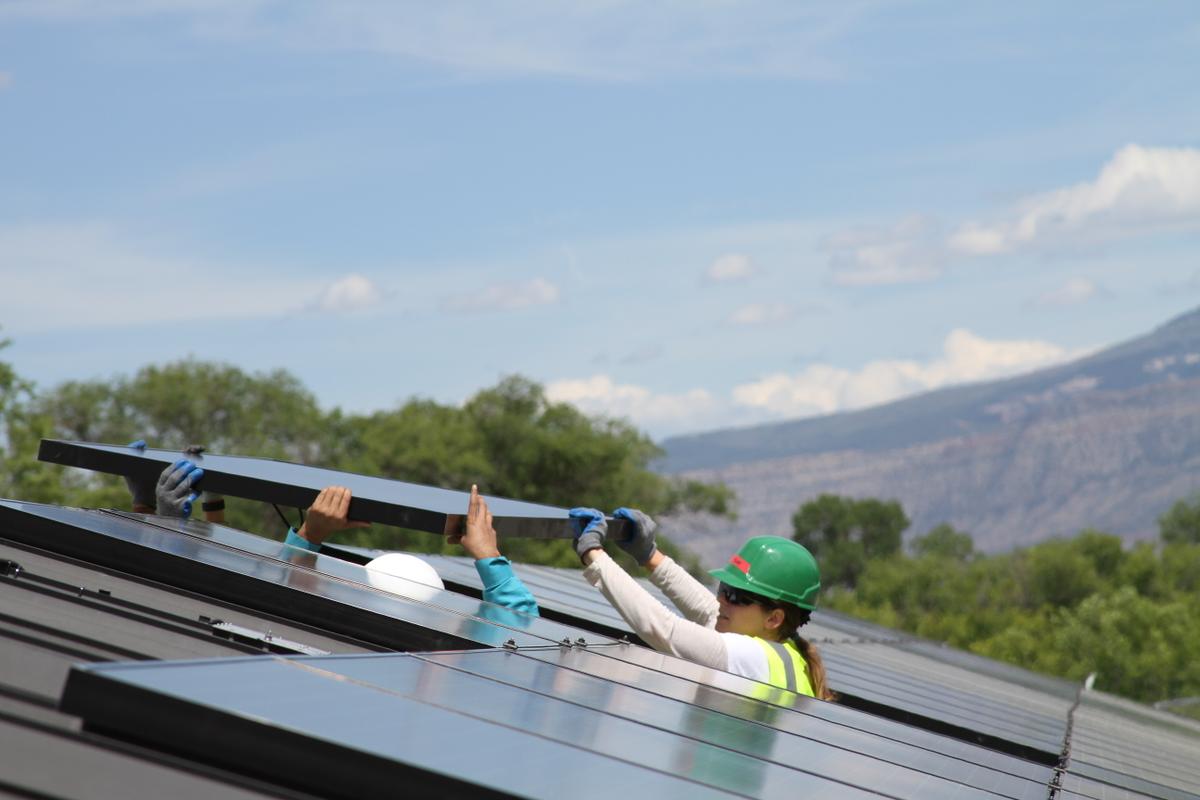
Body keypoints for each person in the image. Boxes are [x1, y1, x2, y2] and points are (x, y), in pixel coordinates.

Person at [571, 507, 832, 700]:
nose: (721, 600)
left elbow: (663, 629)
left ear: (774, 618)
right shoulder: (787, 653)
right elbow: (708, 609)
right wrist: (649, 556)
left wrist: (593, 553)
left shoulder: (752, 656)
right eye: (724, 589)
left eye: (736, 597)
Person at [282, 484, 539, 616]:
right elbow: (522, 637)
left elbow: (285, 598)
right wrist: (489, 557)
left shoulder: (315, 647)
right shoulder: (445, 677)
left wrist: (309, 535)